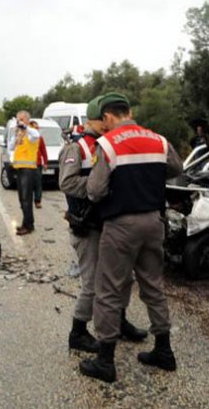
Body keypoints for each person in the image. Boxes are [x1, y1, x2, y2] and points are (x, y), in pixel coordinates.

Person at [79, 93, 183, 383]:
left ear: (109, 117)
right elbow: (176, 169)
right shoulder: (159, 140)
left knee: (109, 288)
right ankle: (164, 351)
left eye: (104, 120)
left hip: (121, 225)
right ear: (130, 112)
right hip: (153, 221)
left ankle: (105, 360)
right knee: (153, 286)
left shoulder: (108, 143)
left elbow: (95, 191)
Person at [59, 95, 147, 355]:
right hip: (88, 227)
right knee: (93, 284)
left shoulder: (109, 144)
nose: (108, 126)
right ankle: (78, 332)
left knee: (124, 278)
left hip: (111, 224)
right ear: (92, 121)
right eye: (103, 122)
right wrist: (98, 188)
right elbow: (66, 183)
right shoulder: (77, 147)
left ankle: (118, 321)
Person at [8, 110, 40, 235]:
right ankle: (27, 223)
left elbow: (36, 136)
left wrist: (25, 128)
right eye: (17, 119)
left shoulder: (31, 132)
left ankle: (28, 225)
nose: (19, 121)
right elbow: (11, 147)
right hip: (19, 168)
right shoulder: (19, 133)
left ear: (27, 120)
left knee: (26, 199)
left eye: (21, 119)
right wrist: (15, 136)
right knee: (22, 199)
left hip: (28, 169)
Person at [30, 120, 47, 208]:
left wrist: (45, 163)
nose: (37, 129)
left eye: (37, 128)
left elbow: (43, 151)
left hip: (37, 164)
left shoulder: (40, 138)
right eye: (35, 128)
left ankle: (37, 201)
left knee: (38, 183)